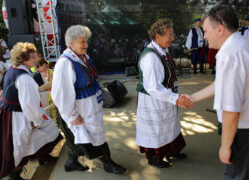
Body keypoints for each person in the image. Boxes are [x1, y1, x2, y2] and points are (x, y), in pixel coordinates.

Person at [186, 5, 249, 180]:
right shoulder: (244, 44)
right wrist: (193, 97)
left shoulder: (230, 55)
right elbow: (222, 83)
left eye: (206, 31)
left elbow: (231, 111)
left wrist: (225, 145)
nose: (204, 36)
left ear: (220, 29)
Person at [51, 25, 126, 174]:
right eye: (82, 42)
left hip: (91, 106)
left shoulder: (83, 57)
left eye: (86, 41)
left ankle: (71, 162)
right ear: (71, 43)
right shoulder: (65, 63)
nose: (86, 45)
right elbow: (60, 94)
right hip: (80, 110)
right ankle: (108, 163)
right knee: (91, 139)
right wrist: (72, 116)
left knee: (82, 138)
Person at [136, 19, 193, 168]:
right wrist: (175, 98)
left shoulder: (162, 50)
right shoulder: (150, 57)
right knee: (157, 128)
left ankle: (171, 150)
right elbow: (153, 87)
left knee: (170, 124)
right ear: (157, 37)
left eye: (172, 35)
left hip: (166, 96)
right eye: (169, 35)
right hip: (154, 100)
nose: (172, 38)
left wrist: (172, 97)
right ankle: (155, 157)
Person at [0, 42, 62, 180]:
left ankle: (43, 156)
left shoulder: (13, 69)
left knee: (42, 134)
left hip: (11, 113)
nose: (36, 59)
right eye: (32, 57)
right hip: (18, 117)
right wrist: (36, 120)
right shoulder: (24, 79)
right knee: (20, 147)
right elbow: (29, 105)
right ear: (23, 59)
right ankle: (14, 177)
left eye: (35, 55)